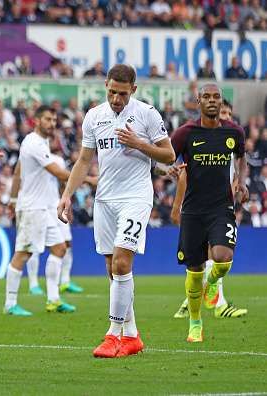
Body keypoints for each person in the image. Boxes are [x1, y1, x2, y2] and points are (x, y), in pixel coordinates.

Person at [57, 64, 175, 358]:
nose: (116, 99)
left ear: (133, 90)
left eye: (122, 93)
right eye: (111, 92)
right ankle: (132, 336)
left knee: (122, 263)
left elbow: (169, 154)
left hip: (135, 196)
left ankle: (112, 335)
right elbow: (84, 160)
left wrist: (139, 143)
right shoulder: (94, 116)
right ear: (105, 86)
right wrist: (67, 195)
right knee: (113, 268)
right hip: (105, 199)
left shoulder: (147, 114)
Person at [169, 84, 248, 342]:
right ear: (198, 101)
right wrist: (167, 169)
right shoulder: (186, 133)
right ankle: (195, 322)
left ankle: (212, 283)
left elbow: (241, 158)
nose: (212, 101)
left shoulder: (234, 132)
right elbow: (167, 156)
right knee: (194, 271)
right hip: (192, 211)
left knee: (223, 258)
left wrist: (242, 181)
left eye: (216, 97)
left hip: (220, 207)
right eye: (207, 97)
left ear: (220, 102)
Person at [4, 105, 74, 317]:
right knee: (23, 253)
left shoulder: (38, 143)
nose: (52, 123)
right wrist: (89, 179)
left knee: (60, 248)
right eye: (47, 119)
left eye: (54, 120)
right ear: (36, 120)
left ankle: (53, 300)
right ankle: (10, 303)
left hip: (46, 208)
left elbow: (18, 172)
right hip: (33, 208)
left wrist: (13, 198)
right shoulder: (33, 143)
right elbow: (57, 172)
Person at [25, 145, 86, 298]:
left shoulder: (57, 160)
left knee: (66, 243)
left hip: (55, 205)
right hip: (38, 206)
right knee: (34, 245)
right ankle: (33, 284)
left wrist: (66, 204)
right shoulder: (33, 153)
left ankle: (65, 281)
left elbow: (62, 182)